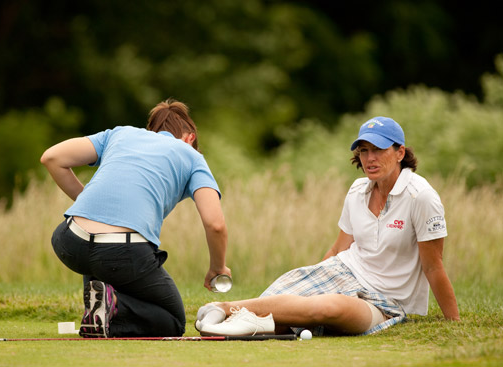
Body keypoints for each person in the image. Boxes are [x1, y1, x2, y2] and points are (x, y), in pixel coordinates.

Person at [195, 116, 460, 337]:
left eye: (379, 150)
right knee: (291, 293)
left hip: (385, 302)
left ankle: (224, 308)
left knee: (327, 308)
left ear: (400, 152)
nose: (370, 158)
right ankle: (240, 323)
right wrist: (315, 275)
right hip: (342, 270)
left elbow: (433, 265)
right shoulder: (358, 190)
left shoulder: (421, 196)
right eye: (364, 150)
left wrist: (454, 323)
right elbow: (338, 248)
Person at [41, 98, 230, 338]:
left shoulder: (121, 134)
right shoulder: (191, 156)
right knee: (173, 320)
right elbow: (215, 223)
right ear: (190, 137)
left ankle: (100, 314)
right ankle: (115, 306)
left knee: (104, 263)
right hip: (121, 251)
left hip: (69, 240)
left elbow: (52, 158)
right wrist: (218, 267)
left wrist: (87, 204)